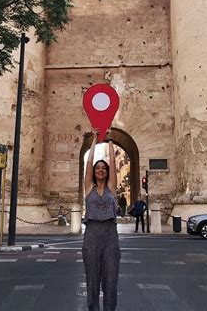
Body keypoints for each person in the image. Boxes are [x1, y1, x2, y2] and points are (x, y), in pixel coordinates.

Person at [83, 129, 121, 311]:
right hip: (91, 235)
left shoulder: (111, 189)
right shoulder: (88, 187)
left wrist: (110, 139)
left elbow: (113, 163)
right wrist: (94, 141)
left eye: (103, 168)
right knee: (92, 281)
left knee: (111, 281)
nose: (100, 170)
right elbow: (88, 163)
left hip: (110, 237)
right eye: (98, 168)